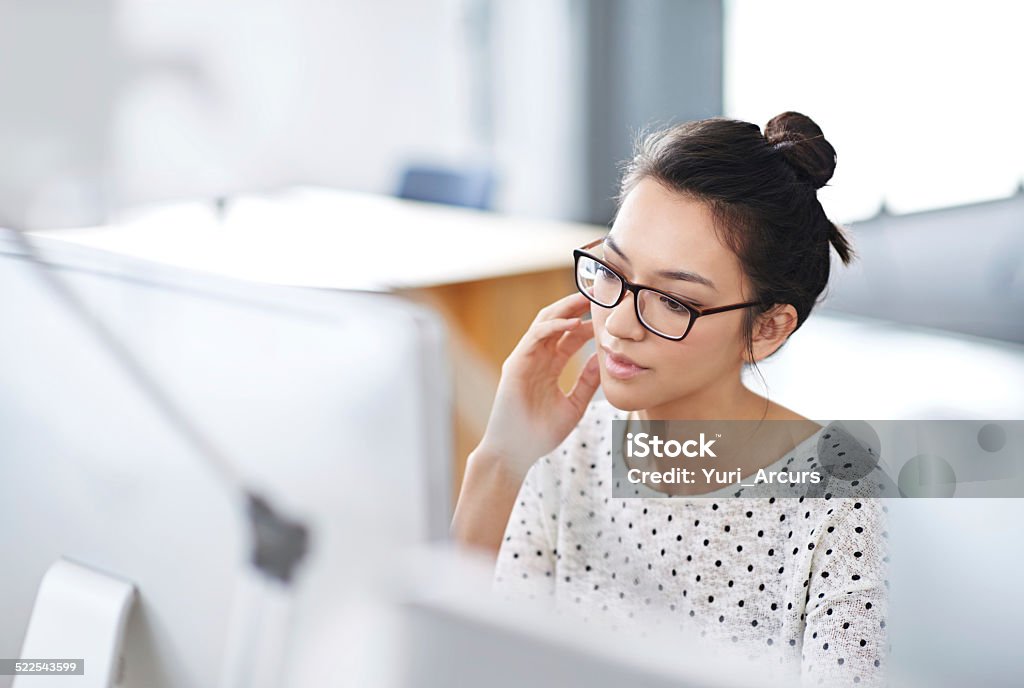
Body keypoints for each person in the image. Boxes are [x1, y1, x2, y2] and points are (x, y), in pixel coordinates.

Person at [451, 112, 890, 687]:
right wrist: (502, 458)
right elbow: (459, 661)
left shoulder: (843, 499)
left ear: (767, 328)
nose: (619, 324)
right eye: (612, 270)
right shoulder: (569, 444)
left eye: (673, 302)